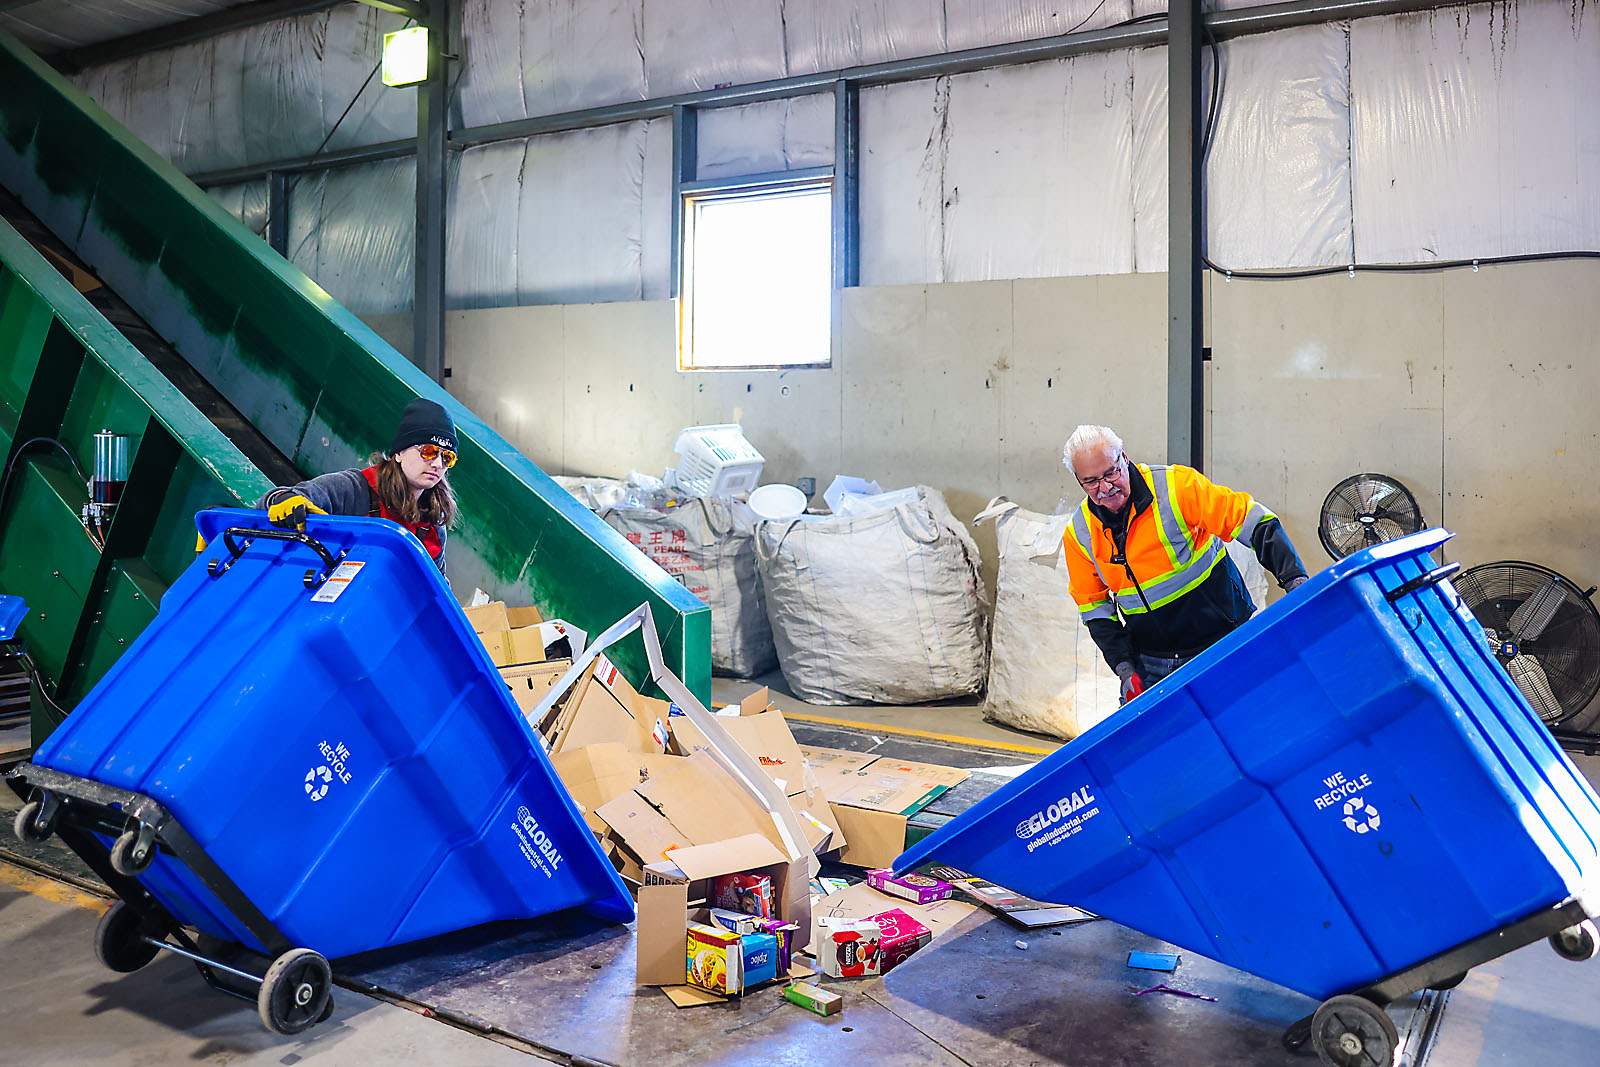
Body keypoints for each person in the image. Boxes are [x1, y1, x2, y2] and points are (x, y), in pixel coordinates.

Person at [1061, 424, 1307, 705]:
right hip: (1152, 666)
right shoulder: (1079, 533)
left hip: (1223, 642)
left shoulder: (1177, 487)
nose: (1105, 487)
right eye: (1091, 481)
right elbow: (1094, 609)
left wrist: (1295, 581)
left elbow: (1253, 522)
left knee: (1253, 721)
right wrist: (1125, 669)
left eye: (1111, 472)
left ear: (1124, 458)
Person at [259, 398, 458, 578]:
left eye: (447, 457)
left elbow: (438, 590)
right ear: (399, 453)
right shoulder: (352, 489)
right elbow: (278, 499)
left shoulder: (433, 524)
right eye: (428, 451)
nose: (438, 464)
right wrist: (284, 500)